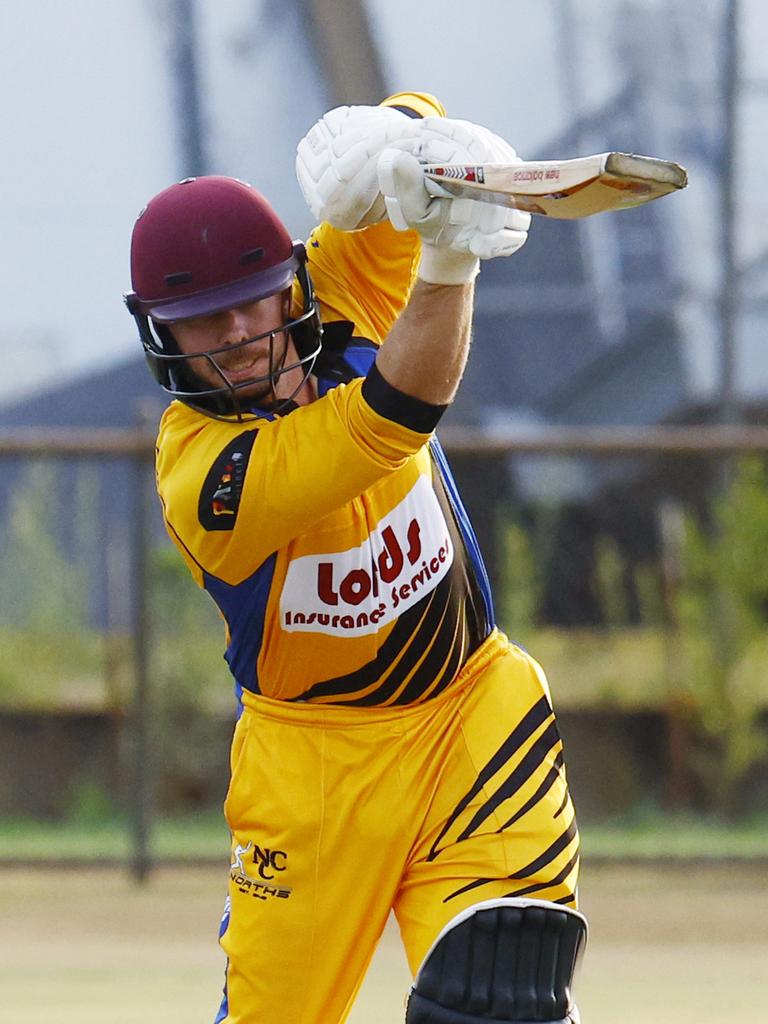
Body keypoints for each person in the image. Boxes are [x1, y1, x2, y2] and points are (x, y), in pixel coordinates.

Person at [125, 92, 586, 1024]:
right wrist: (450, 256)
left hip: (471, 711)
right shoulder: (202, 475)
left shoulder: (335, 284)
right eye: (202, 321)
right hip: (313, 774)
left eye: (251, 300)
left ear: (291, 278)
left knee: (502, 999)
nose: (237, 335)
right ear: (161, 333)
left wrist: (399, 134)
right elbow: (395, 413)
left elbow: (418, 151)